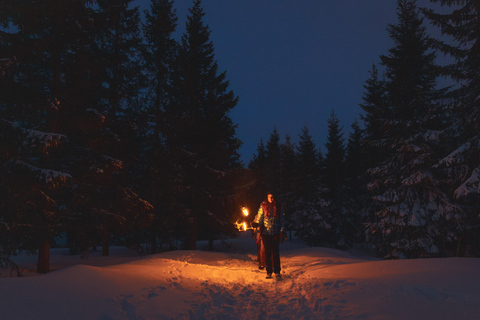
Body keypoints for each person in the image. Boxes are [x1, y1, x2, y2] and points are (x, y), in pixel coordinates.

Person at [252, 193, 285, 279]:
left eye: (273, 196)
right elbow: (260, 217)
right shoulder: (263, 205)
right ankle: (269, 271)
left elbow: (282, 219)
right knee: (267, 252)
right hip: (266, 233)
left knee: (275, 252)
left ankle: (277, 271)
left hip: (275, 232)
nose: (272, 198)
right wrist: (256, 223)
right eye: (270, 196)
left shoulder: (278, 205)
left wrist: (282, 231)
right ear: (267, 197)